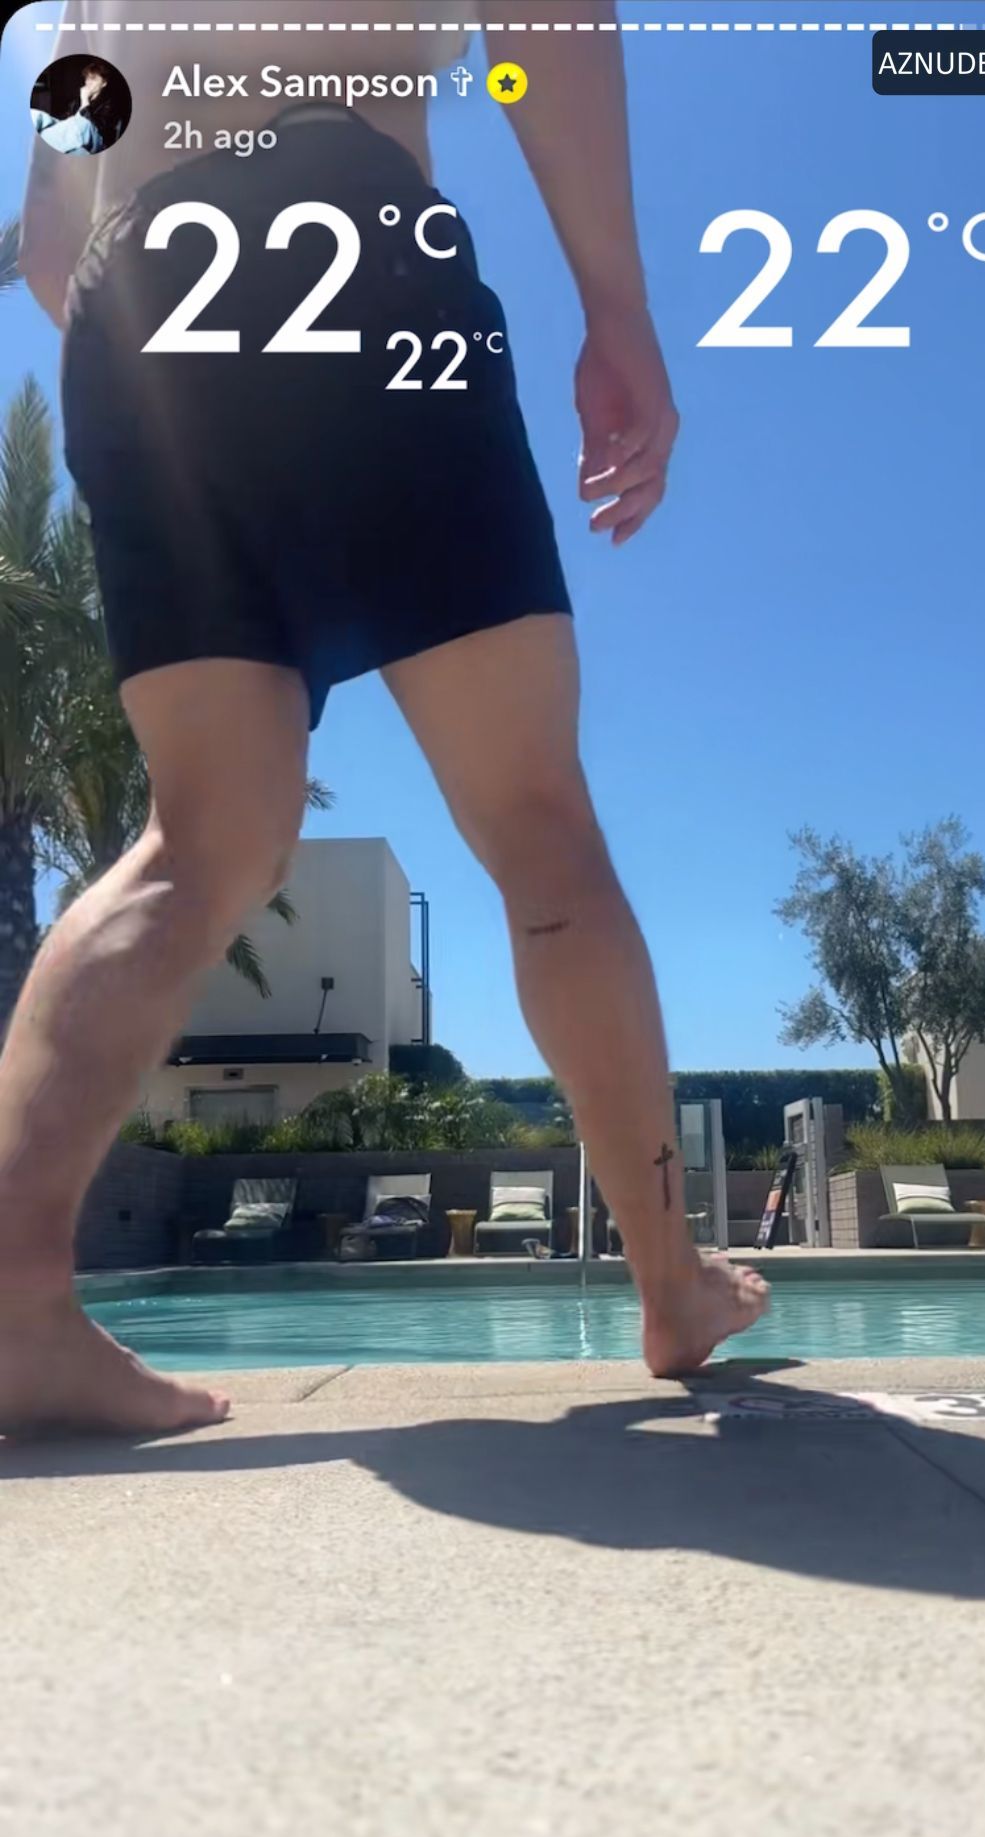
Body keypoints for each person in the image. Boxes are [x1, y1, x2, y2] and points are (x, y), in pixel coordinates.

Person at [5, 0, 769, 1436]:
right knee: (536, 826)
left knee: (195, 848)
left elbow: (51, 234)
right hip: (349, 234)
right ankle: (671, 1283)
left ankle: (11, 1304)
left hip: (134, 298)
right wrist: (615, 308)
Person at [30, 59, 117, 156]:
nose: (88, 82)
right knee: (36, 115)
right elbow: (66, 118)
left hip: (96, 138)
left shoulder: (110, 104)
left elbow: (96, 127)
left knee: (83, 124)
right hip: (72, 132)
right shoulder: (77, 100)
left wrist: (85, 101)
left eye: (93, 79)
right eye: (87, 78)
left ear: (104, 83)